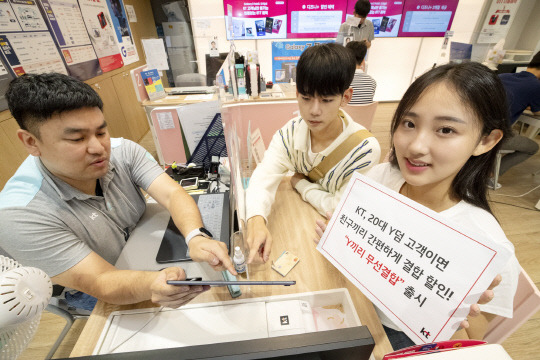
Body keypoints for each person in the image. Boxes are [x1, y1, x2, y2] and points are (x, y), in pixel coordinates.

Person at [315, 62, 520, 349]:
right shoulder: (379, 178)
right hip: (350, 302)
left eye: (446, 130)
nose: (416, 146)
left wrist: (451, 315)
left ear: (486, 140)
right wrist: (337, 236)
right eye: (409, 124)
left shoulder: (488, 246)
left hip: (402, 337)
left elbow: (469, 342)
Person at [0, 73, 236, 310]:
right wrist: (153, 283)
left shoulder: (123, 151)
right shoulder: (19, 213)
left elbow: (173, 194)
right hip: (96, 287)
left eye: (101, 132)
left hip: (144, 249)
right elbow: (100, 281)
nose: (98, 148)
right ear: (31, 142)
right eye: (77, 139)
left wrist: (195, 236)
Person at [245, 43, 381, 264]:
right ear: (297, 93)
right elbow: (263, 177)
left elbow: (338, 209)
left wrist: (301, 184)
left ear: (346, 97)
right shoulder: (289, 132)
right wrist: (256, 219)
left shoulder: (364, 150)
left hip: (332, 247)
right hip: (299, 232)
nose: (314, 110)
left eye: (326, 100)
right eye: (306, 98)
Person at [496, 51, 540, 185]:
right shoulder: (536, 86)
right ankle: (492, 175)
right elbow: (537, 112)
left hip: (475, 129)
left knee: (513, 132)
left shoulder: (502, 76)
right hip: (494, 135)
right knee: (533, 148)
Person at [345, 40, 376, 105]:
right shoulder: (372, 82)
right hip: (365, 115)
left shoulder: (342, 80)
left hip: (344, 115)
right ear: (363, 60)